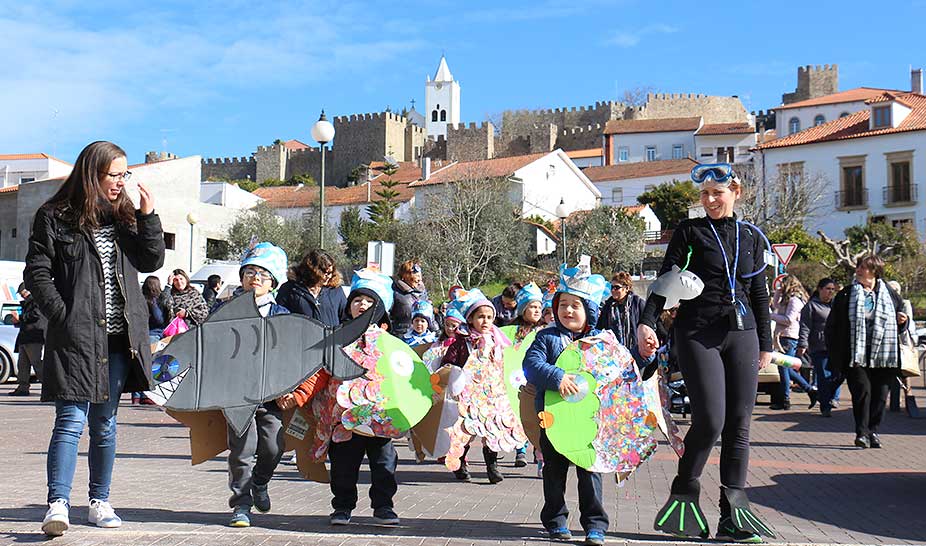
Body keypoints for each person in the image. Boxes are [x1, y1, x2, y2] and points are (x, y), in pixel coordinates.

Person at [25, 141, 165, 536]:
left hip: (121, 339)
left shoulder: (126, 215)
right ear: (93, 173)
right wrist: (62, 316)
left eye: (125, 174)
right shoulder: (54, 215)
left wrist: (148, 215)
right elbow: (36, 272)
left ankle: (99, 500)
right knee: (70, 420)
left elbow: (151, 261)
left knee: (105, 423)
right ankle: (58, 504)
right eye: (115, 174)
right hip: (76, 337)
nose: (122, 182)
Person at [637, 163, 775, 543]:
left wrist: (765, 343)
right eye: (704, 194)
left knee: (740, 424)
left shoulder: (751, 236)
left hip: (742, 333)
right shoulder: (690, 231)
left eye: (718, 192)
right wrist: (648, 322)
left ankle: (733, 513)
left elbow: (759, 294)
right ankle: (685, 490)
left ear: (735, 192)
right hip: (698, 331)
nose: (710, 200)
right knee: (711, 419)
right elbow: (666, 280)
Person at [522, 260, 612, 546]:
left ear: (590, 312)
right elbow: (531, 364)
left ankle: (595, 525)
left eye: (576, 305)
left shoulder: (599, 343)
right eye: (563, 305)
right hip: (553, 420)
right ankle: (555, 520)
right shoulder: (546, 337)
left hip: (588, 424)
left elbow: (619, 370)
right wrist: (556, 376)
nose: (568, 310)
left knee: (590, 472)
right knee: (554, 473)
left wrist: (644, 356)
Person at [319, 269, 402, 526]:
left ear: (380, 309)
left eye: (369, 301)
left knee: (384, 463)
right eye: (356, 300)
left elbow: (404, 374)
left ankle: (383, 507)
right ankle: (342, 507)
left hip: (380, 415)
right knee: (343, 465)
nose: (362, 305)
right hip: (344, 416)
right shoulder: (337, 336)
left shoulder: (391, 342)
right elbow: (322, 371)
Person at [222, 242, 292, 528]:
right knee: (242, 450)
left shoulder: (283, 315)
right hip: (236, 394)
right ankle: (241, 505)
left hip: (271, 395)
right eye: (249, 272)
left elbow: (291, 355)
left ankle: (260, 482)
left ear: (273, 282)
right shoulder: (225, 311)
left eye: (262, 274)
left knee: (274, 446)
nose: (255, 278)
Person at [825, 255, 907, 449]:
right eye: (859, 266)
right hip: (856, 353)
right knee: (862, 392)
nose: (859, 270)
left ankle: (874, 430)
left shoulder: (890, 294)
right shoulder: (846, 294)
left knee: (880, 394)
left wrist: (902, 322)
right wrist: (835, 353)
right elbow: (833, 326)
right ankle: (862, 433)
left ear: (874, 271)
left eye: (864, 267)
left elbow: (901, 321)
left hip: (884, 354)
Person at [441, 289, 519, 484]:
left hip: (493, 393)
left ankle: (492, 466)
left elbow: (507, 364)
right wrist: (453, 374)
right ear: (471, 319)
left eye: (489, 317)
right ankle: (461, 462)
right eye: (480, 317)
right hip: (467, 394)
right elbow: (448, 363)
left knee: (493, 429)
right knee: (466, 430)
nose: (485, 321)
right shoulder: (462, 342)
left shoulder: (499, 341)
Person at [506, 282, 545, 468]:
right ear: (523, 310)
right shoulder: (512, 332)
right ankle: (520, 450)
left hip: (537, 381)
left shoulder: (545, 331)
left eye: (539, 306)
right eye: (532, 306)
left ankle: (540, 458)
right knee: (519, 415)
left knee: (538, 420)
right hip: (517, 380)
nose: (537, 310)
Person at [770, 275, 817, 410]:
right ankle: (810, 390)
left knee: (784, 368)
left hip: (789, 336)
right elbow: (776, 306)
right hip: (784, 336)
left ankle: (785, 399)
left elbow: (788, 319)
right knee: (785, 367)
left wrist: (770, 316)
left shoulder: (795, 300)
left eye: (782, 285)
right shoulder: (789, 299)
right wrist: (777, 293)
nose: (781, 287)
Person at [797, 278, 840, 416]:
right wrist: (803, 344)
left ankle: (825, 396)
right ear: (820, 289)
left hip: (835, 346)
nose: (830, 292)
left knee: (838, 375)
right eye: (828, 289)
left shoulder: (835, 305)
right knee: (823, 376)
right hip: (819, 346)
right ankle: (825, 406)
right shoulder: (811, 306)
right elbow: (805, 326)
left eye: (833, 289)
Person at [276, 249, 346, 328]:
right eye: (325, 273)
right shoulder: (289, 289)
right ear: (313, 271)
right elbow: (279, 320)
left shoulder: (336, 290)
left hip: (333, 339)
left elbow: (346, 318)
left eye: (331, 272)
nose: (329, 276)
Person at [135, 276, 172, 405]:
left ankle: (136, 395)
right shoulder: (153, 301)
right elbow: (159, 319)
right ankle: (147, 395)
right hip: (154, 335)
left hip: (141, 334)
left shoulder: (139, 298)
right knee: (153, 365)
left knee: (142, 364)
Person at [9, 283, 46, 396]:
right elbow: (28, 319)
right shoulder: (27, 303)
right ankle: (23, 387)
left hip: (33, 336)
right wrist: (17, 321)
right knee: (22, 364)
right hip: (25, 336)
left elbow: (37, 315)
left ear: (27, 291)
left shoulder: (37, 300)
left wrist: (19, 318)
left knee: (37, 363)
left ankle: (48, 386)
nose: (21, 296)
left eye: (21, 293)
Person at [886, 280, 916, 413]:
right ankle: (893, 400)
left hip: (902, 341)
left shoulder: (904, 304)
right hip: (889, 343)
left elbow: (907, 324)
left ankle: (907, 396)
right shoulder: (884, 303)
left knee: (905, 371)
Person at [597, 272, 646, 349]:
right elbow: (600, 327)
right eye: (611, 287)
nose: (613, 290)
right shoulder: (608, 306)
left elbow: (646, 326)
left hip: (635, 349)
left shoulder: (638, 303)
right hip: (614, 350)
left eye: (616, 287)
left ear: (626, 288)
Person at [390, 260, 430, 338]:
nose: (419, 279)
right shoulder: (394, 291)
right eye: (417, 276)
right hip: (401, 336)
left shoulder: (422, 292)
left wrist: (437, 332)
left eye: (420, 276)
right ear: (406, 275)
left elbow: (428, 315)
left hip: (421, 336)